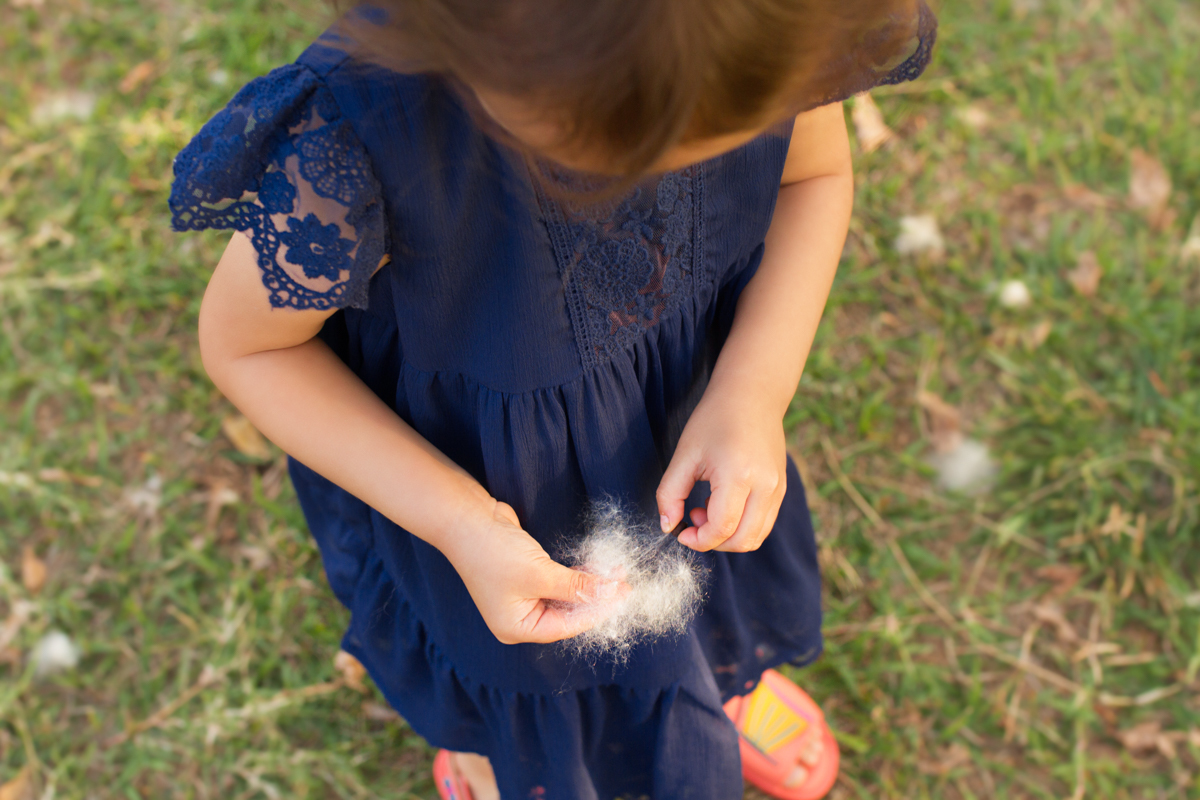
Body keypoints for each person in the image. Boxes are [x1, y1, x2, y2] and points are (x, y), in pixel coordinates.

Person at [169, 1, 935, 796]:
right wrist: (461, 524)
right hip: (474, 482)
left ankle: (720, 684)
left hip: (684, 419)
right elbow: (250, 347)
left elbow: (813, 175)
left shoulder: (771, 35)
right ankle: (488, 748)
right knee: (506, 664)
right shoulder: (361, 137)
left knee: (702, 594)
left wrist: (752, 390)